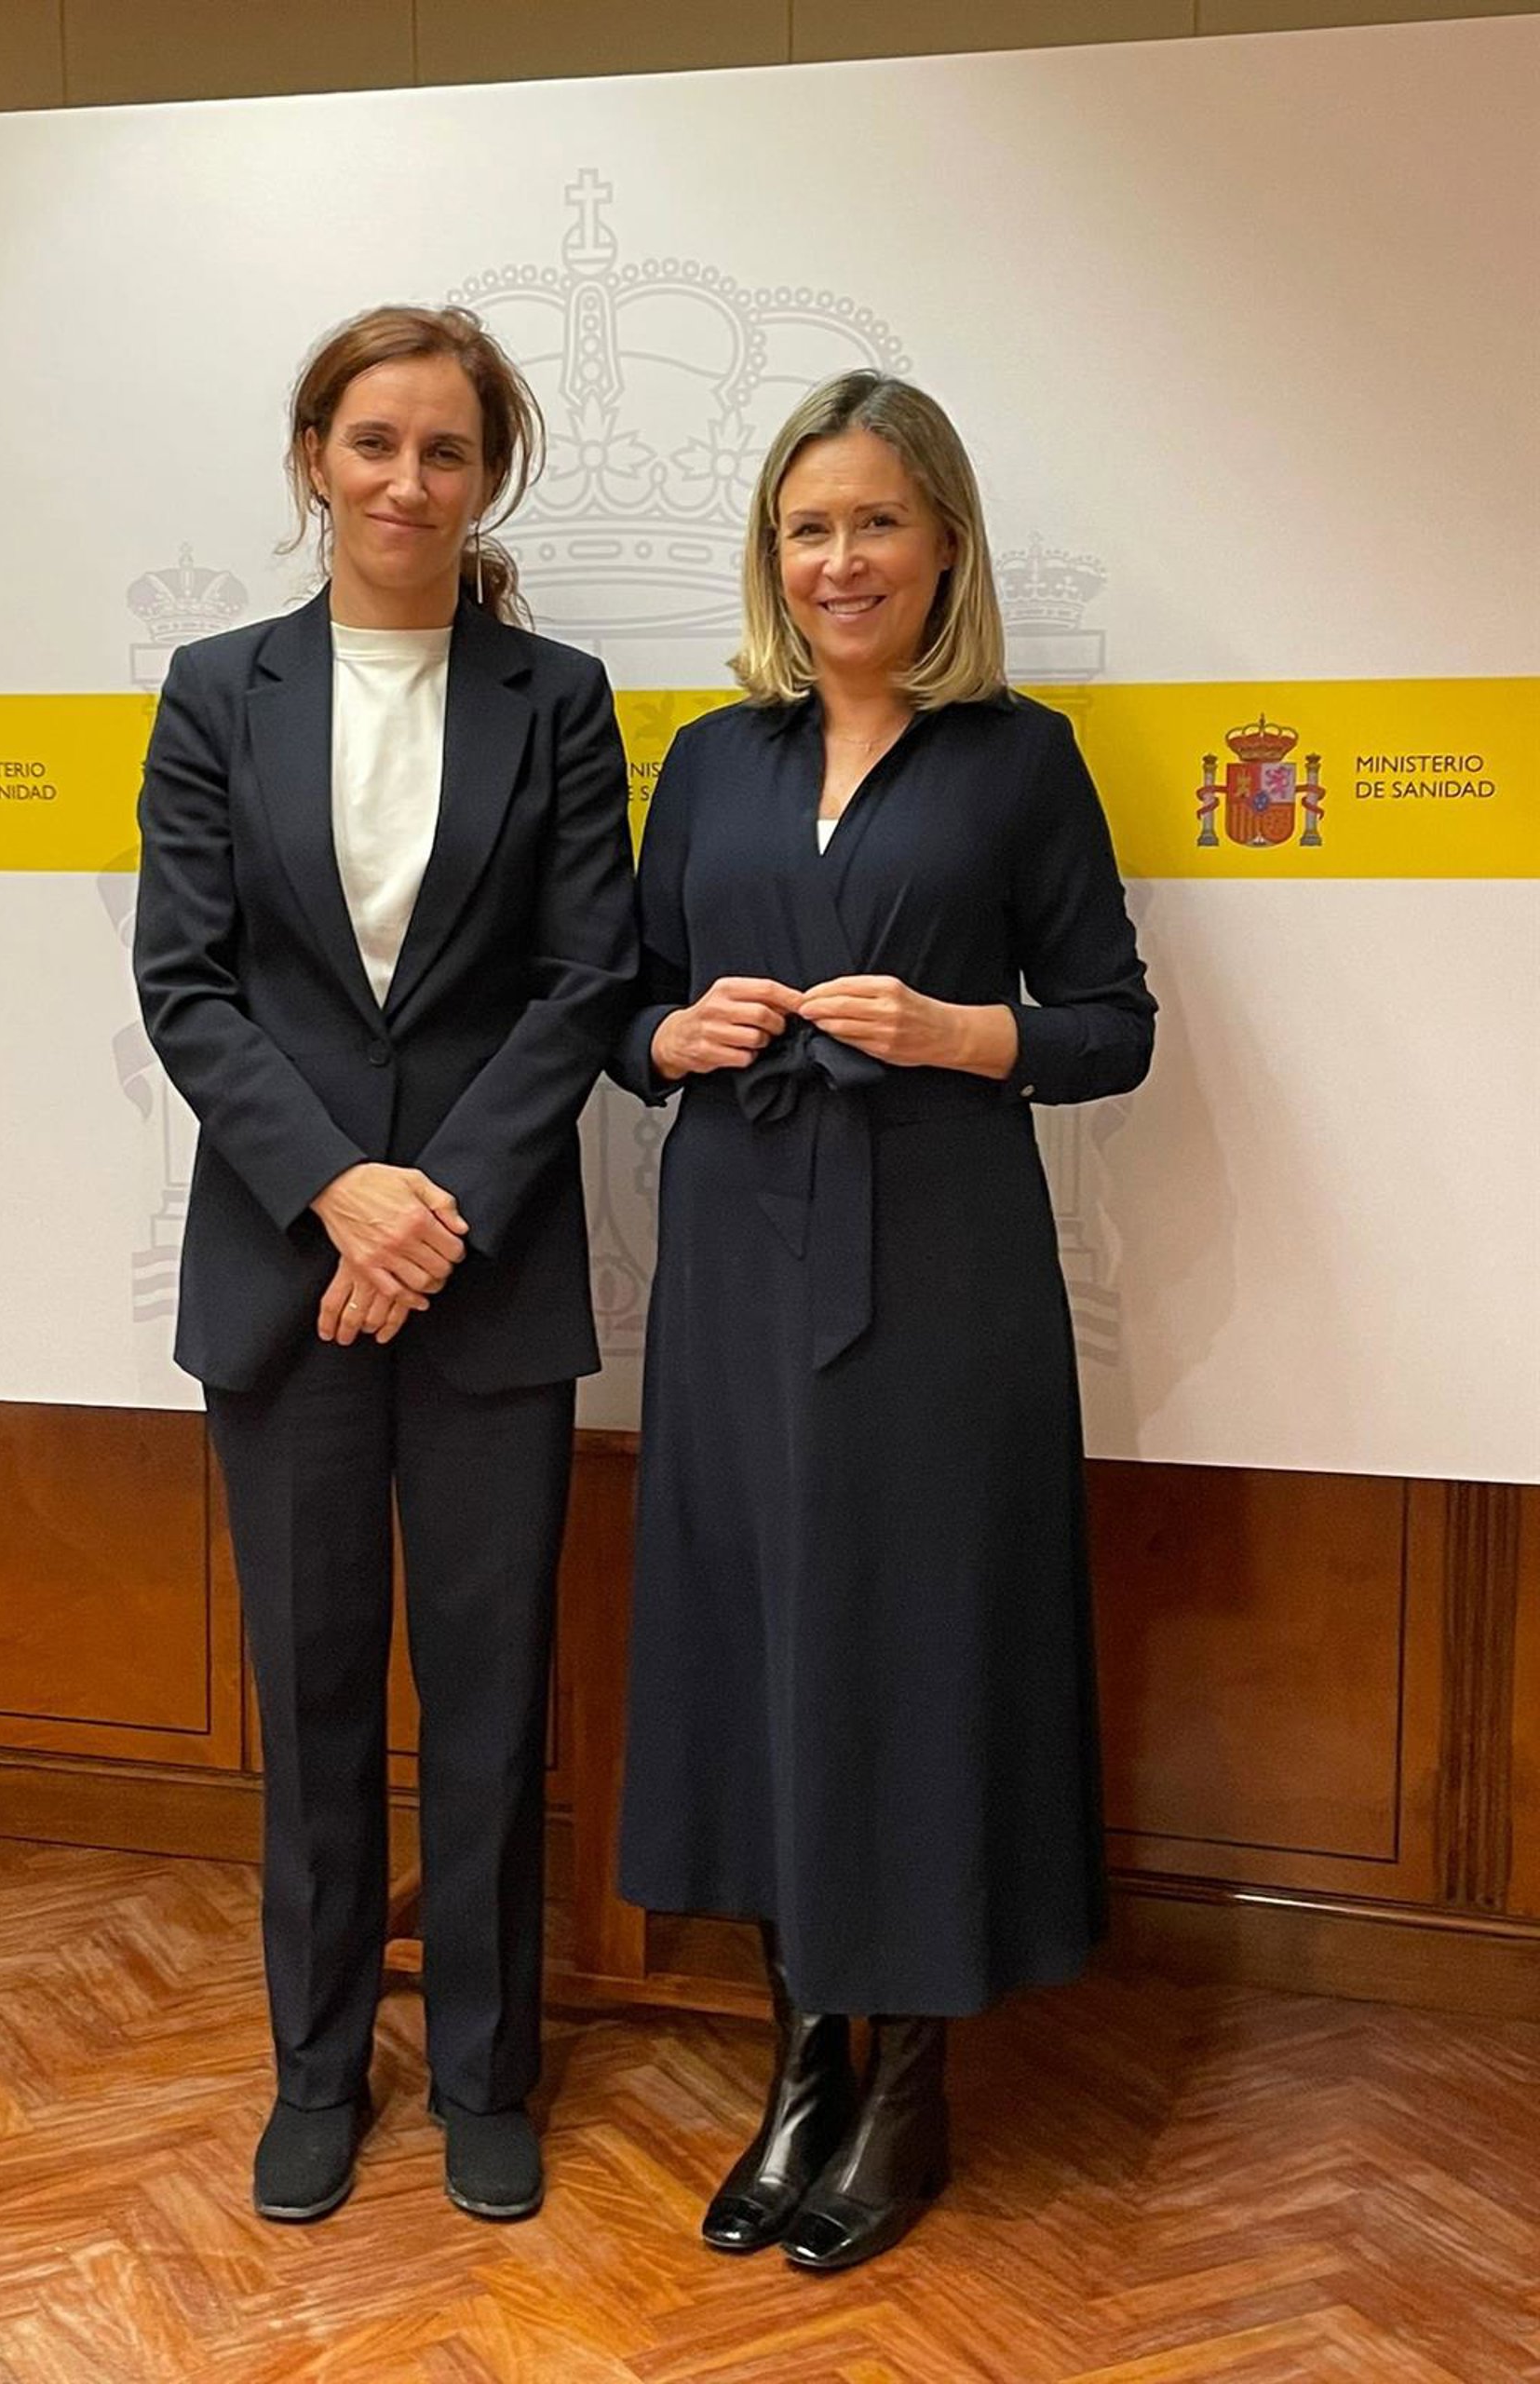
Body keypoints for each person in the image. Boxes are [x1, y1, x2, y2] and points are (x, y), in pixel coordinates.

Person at [610, 372, 1155, 2272]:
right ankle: (799, 2066)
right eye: (808, 528)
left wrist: (963, 1030)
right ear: (774, 553)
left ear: (945, 546)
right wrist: (668, 1034)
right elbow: (625, 1002)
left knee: (915, 1647)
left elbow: (1112, 1025)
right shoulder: (709, 759)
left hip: (941, 1266)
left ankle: (908, 2081)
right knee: (761, 1639)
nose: (840, 561)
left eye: (876, 524)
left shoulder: (1022, 758)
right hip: (737, 1257)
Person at [133, 305, 636, 2228]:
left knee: (492, 1701)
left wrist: (434, 1214)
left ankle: (490, 2077)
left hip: (487, 1283)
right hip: (286, 1278)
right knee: (316, 1696)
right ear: (313, 461)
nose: (407, 481)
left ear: (485, 476)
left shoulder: (558, 696)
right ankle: (319, 2071)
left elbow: (584, 981)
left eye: (445, 450)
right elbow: (188, 983)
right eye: (373, 443)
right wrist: (344, 1195)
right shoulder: (217, 690)